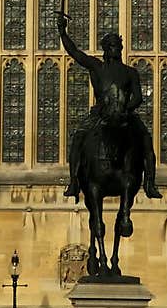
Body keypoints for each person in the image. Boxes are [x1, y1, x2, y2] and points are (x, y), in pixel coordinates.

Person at [57, 11, 161, 199]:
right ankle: (73, 181)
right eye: (113, 46)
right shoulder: (97, 67)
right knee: (78, 139)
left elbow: (138, 97)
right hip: (100, 114)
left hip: (125, 114)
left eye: (118, 46)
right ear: (106, 49)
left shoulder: (130, 73)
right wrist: (63, 33)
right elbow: (75, 53)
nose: (116, 50)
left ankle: (150, 183)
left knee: (146, 142)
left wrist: (126, 110)